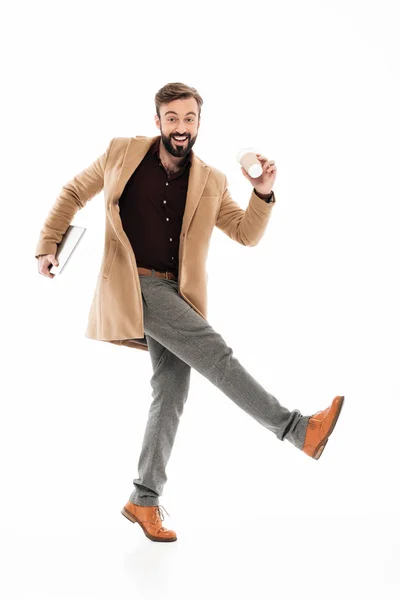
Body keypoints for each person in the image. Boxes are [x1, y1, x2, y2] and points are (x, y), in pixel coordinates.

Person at [35, 82, 345, 543]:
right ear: (157, 121)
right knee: (217, 355)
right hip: (131, 283)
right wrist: (47, 245)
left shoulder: (212, 181)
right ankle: (298, 430)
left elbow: (245, 234)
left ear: (199, 124)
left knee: (171, 391)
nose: (181, 127)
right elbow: (73, 192)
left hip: (174, 294)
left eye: (190, 119)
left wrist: (262, 193)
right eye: (173, 118)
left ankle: (143, 499)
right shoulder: (122, 152)